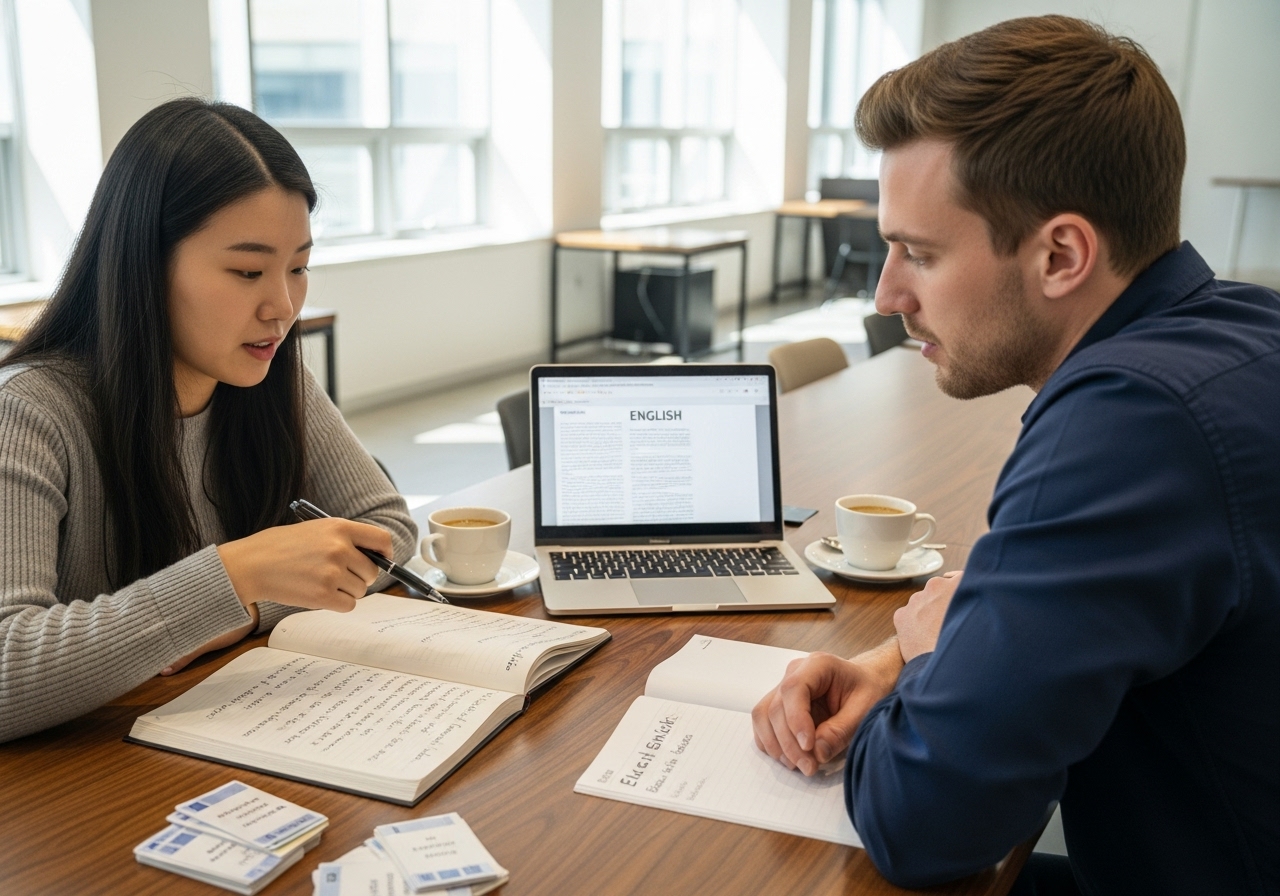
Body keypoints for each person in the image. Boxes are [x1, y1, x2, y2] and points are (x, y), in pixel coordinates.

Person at [752, 16, 1279, 896]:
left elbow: (926, 826)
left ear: (1061, 254)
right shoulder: (1244, 326)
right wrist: (904, 658)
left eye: (919, 252)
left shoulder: (1128, 425)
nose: (886, 296)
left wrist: (925, 664)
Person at [0, 98, 416, 744]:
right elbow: (7, 664)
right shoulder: (31, 415)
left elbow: (388, 531)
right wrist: (233, 573)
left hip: (236, 735)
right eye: (248, 271)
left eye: (298, 267)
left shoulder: (273, 380)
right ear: (146, 263)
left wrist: (249, 607)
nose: (282, 306)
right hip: (81, 788)